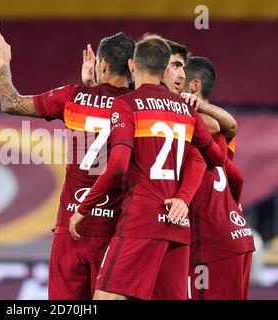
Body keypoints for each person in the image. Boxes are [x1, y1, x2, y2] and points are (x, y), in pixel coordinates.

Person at [70, 34, 226, 300]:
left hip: (140, 221)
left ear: (132, 65)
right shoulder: (185, 111)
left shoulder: (127, 105)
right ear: (165, 69)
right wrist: (183, 198)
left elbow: (118, 165)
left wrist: (83, 209)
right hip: (176, 224)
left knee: (106, 298)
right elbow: (214, 158)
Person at [0, 24, 135, 299]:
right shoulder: (136, 105)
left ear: (102, 64)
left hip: (71, 228)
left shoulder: (73, 97)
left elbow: (10, 102)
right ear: (132, 66)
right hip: (114, 230)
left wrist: (3, 64)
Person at [183, 56, 255, 299]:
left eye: (180, 76)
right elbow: (236, 176)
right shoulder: (224, 133)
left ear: (193, 86)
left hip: (211, 241)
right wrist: (233, 204)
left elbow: (212, 125)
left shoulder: (195, 125)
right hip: (237, 234)